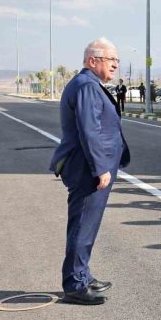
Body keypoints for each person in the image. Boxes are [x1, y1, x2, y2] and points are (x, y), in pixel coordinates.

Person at [48, 37, 130, 305]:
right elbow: (89, 129)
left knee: (87, 225)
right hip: (87, 169)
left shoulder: (89, 83)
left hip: (89, 167)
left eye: (117, 60)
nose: (116, 65)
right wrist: (100, 168)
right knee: (83, 225)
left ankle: (82, 274)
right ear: (93, 61)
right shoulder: (86, 85)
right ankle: (75, 284)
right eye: (111, 60)